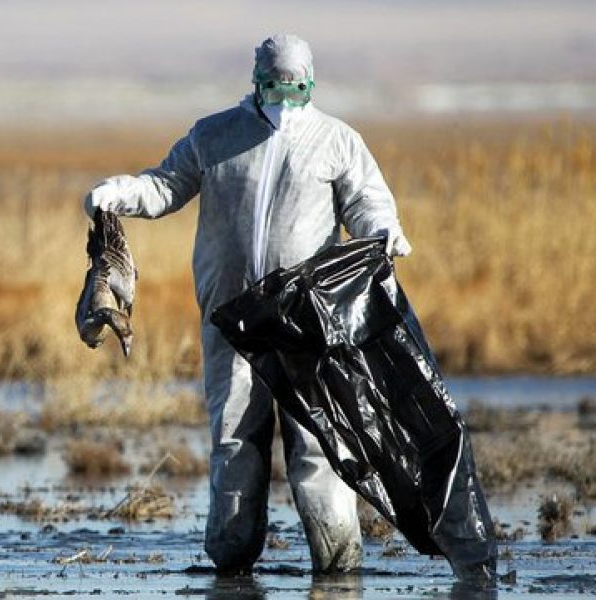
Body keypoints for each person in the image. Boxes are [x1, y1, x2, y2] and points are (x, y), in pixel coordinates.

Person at [83, 34, 412, 574]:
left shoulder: (337, 141)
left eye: (296, 88)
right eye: (275, 87)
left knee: (318, 443)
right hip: (231, 319)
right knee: (234, 436)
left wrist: (385, 230)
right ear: (256, 83)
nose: (285, 100)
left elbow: (367, 201)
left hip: (309, 324)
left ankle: (338, 567)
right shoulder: (216, 136)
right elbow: (166, 186)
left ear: (310, 84)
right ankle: (231, 561)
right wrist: (119, 193)